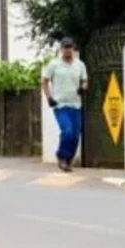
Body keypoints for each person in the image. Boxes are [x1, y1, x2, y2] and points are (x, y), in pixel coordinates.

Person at [41, 37, 88, 172]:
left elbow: (85, 80)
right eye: (65, 47)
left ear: (73, 49)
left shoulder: (80, 65)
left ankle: (68, 160)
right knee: (67, 131)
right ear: (61, 49)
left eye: (70, 47)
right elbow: (44, 81)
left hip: (76, 105)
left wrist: (83, 87)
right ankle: (61, 156)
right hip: (60, 105)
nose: (67, 50)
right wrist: (49, 97)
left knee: (75, 135)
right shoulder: (54, 65)